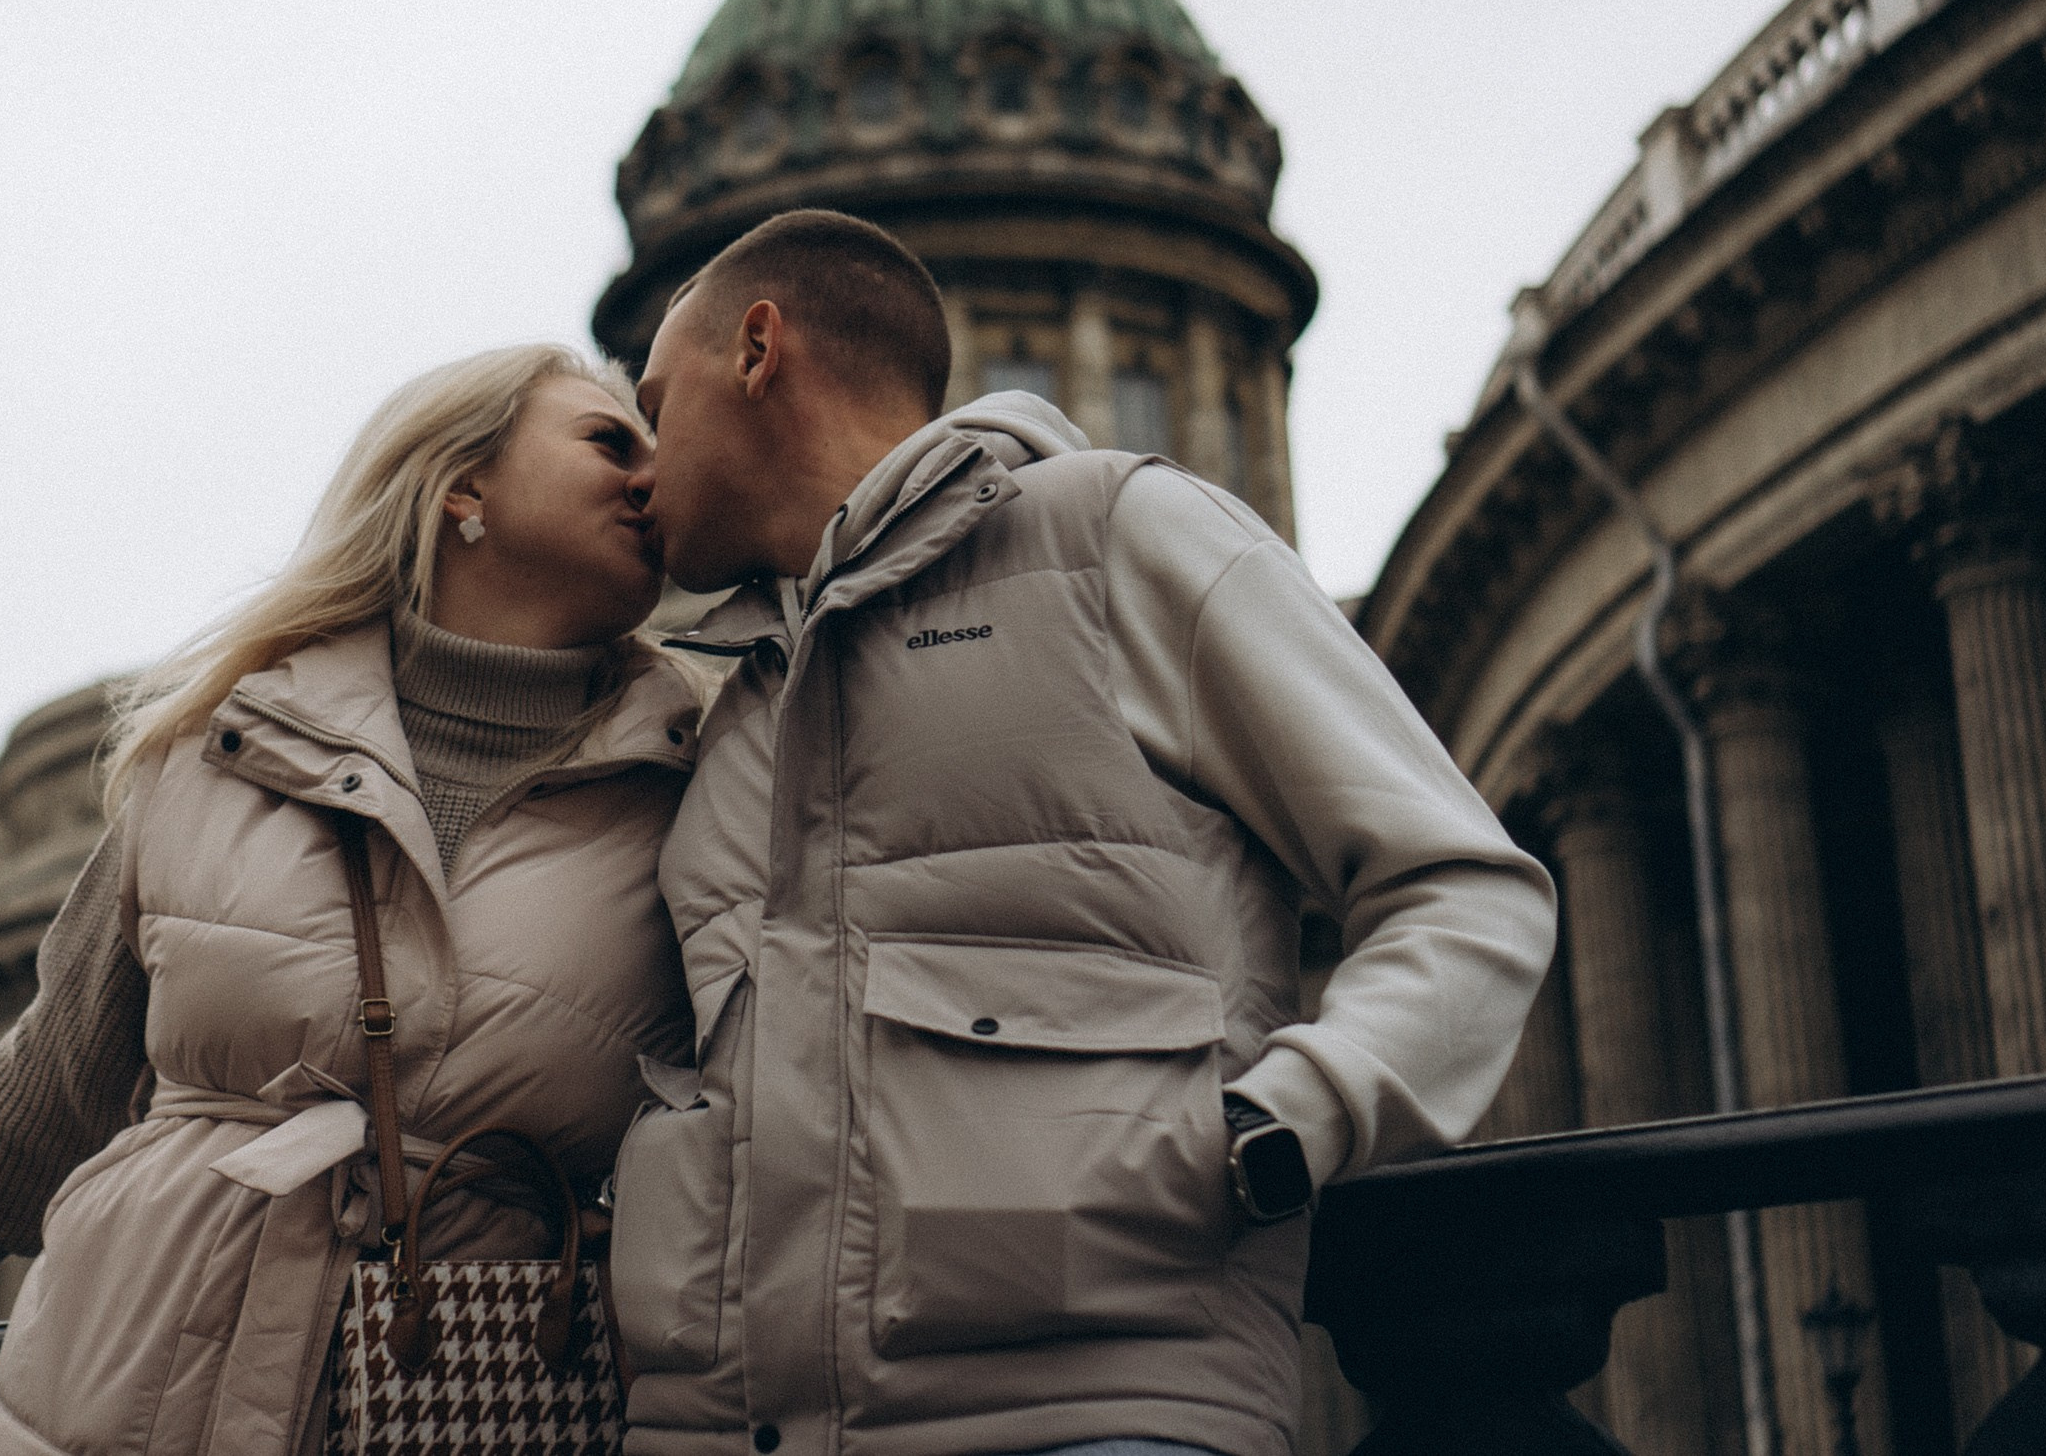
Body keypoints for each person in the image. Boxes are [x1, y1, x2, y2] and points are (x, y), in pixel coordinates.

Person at [611, 210, 1559, 1456]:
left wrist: (1278, 1128)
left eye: (654, 401)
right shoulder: (727, 713)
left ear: (757, 350)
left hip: (1093, 1416)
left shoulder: (1116, 537)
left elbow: (1464, 889)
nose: (638, 458)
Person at [0, 343, 705, 1455]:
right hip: (128, 1375)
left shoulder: (698, 780)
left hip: (465, 1392)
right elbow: (61, 1067)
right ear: (461, 489)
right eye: (606, 440)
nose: (650, 476)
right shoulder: (222, 745)